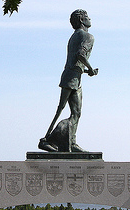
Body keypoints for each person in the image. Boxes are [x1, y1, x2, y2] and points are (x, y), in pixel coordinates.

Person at [39, 9, 98, 152]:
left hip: (74, 76)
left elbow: (74, 62)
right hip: (71, 78)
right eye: (88, 17)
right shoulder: (87, 36)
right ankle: (47, 140)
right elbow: (80, 55)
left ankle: (71, 142)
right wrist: (90, 68)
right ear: (82, 20)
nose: (90, 19)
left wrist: (85, 70)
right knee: (61, 109)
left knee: (75, 112)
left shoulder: (74, 36)